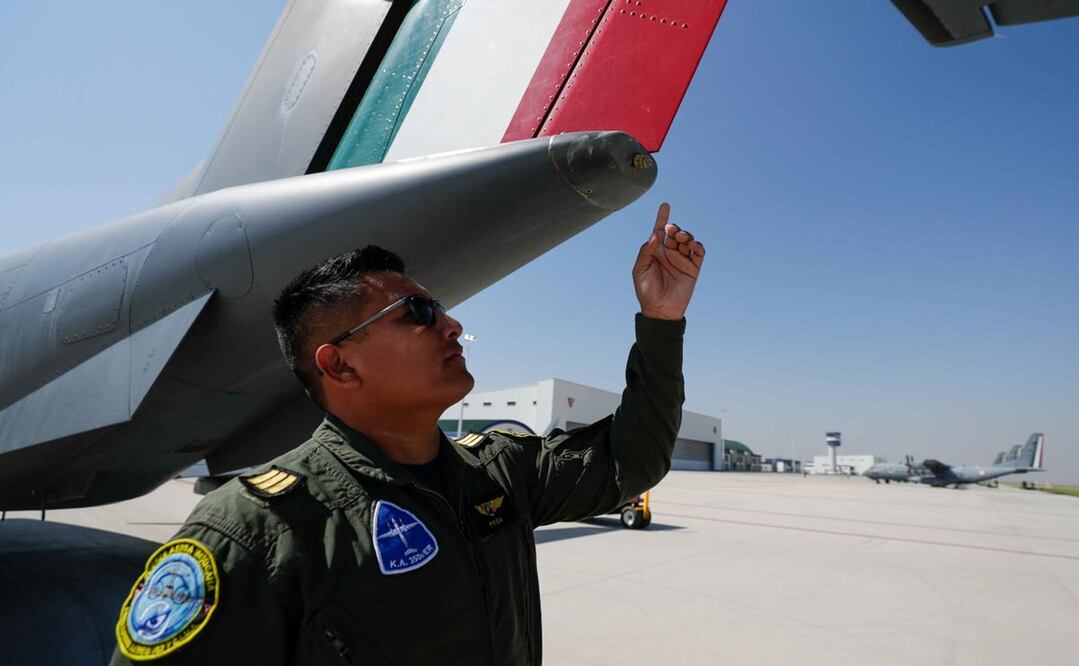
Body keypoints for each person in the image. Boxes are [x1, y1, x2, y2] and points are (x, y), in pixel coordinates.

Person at [110, 203, 705, 665]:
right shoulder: (253, 532)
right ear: (339, 365)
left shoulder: (499, 471)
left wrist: (662, 321)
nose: (452, 324)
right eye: (418, 315)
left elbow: (633, 461)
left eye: (438, 307)